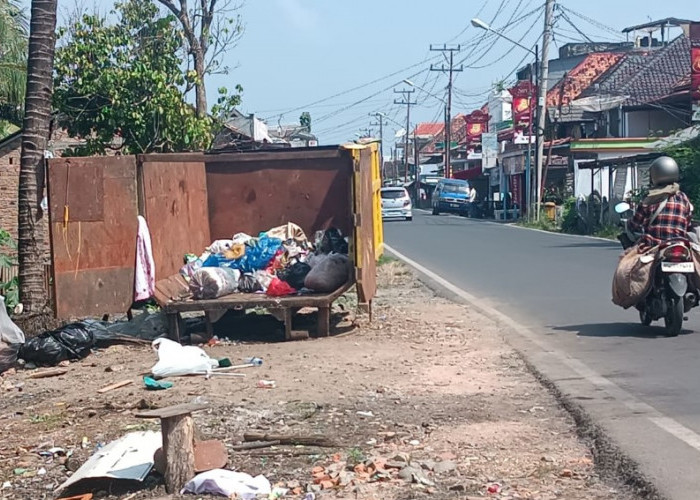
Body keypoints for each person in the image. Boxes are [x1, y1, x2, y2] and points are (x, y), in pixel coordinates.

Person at [627, 156, 692, 250]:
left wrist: (629, 224)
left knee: (627, 260)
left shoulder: (649, 198)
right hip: (680, 245)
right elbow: (688, 222)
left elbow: (636, 223)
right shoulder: (683, 198)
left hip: (652, 245)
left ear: (654, 175)